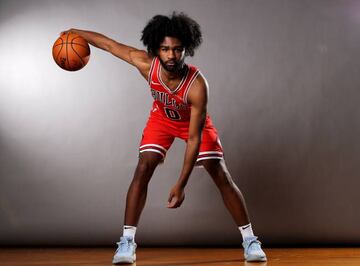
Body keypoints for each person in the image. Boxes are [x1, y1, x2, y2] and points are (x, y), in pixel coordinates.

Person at [62, 12, 267, 264]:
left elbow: (193, 138)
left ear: (186, 50)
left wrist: (181, 184)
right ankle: (127, 242)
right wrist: (76, 32)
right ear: (156, 49)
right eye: (165, 49)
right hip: (162, 119)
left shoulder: (197, 85)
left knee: (219, 171)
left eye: (177, 49)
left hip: (191, 124)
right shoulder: (147, 65)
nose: (171, 55)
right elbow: (109, 45)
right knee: (143, 166)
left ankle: (250, 240)